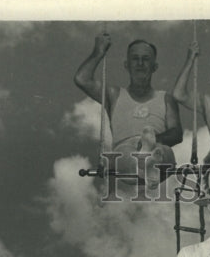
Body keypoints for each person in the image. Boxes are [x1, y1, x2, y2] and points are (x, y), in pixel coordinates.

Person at [74, 34, 183, 187]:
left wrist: (151, 142)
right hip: (125, 152)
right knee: (123, 155)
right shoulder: (113, 95)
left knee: (164, 153)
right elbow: (82, 79)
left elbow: (176, 133)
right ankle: (145, 165)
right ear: (127, 65)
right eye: (135, 58)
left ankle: (148, 161)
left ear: (154, 67)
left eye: (145, 59)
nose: (140, 63)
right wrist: (98, 52)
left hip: (156, 146)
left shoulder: (166, 98)